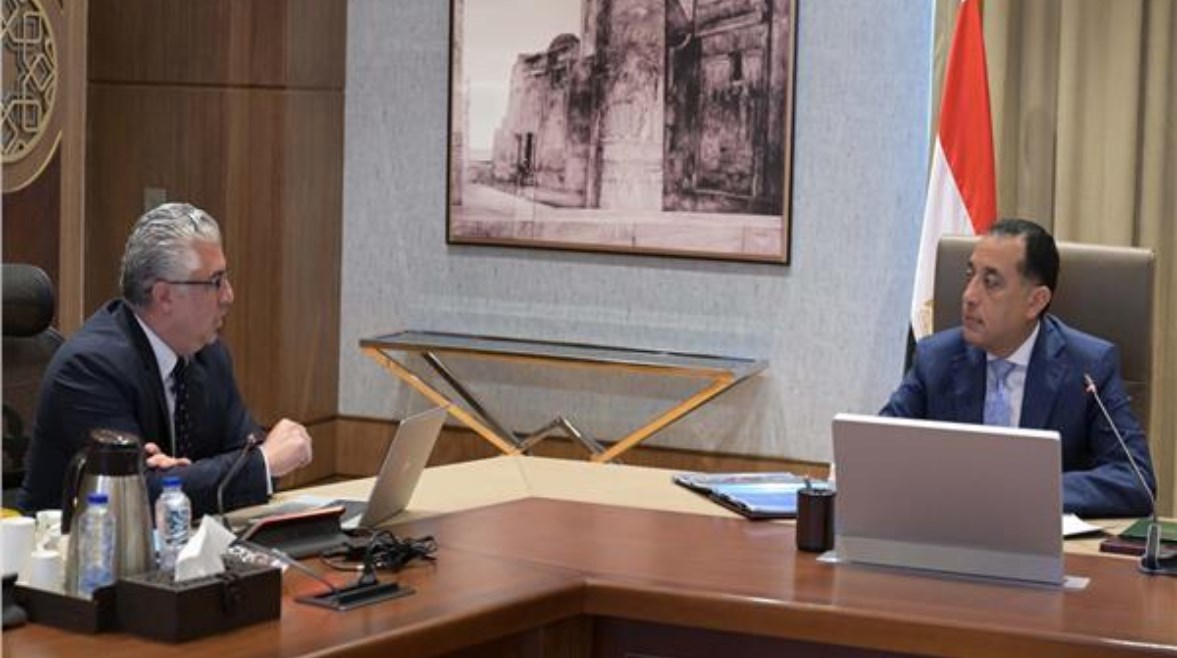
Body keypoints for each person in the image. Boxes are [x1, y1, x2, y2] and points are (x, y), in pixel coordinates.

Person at [18, 203, 313, 516]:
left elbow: (246, 461)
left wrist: (183, 479)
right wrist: (260, 464)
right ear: (164, 296)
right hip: (72, 544)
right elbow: (135, 498)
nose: (228, 296)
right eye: (215, 281)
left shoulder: (209, 356)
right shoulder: (89, 367)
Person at [881, 218, 1155, 518]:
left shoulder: (1088, 368)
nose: (969, 296)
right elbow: (878, 450)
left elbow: (1135, 480)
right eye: (970, 275)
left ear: (1035, 301)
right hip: (951, 529)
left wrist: (1027, 491)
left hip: (1042, 539)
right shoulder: (936, 359)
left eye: (991, 282)